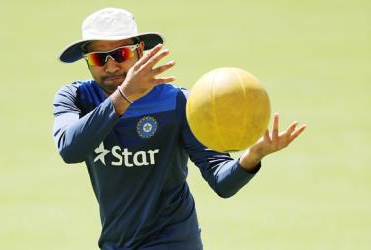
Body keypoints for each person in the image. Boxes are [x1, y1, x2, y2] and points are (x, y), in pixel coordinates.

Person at [52, 7, 306, 250]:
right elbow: (70, 150)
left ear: (140, 50)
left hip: (174, 243)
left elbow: (222, 182)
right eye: (98, 58)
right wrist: (125, 95)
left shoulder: (177, 103)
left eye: (120, 54)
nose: (110, 66)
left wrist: (253, 156)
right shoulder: (75, 97)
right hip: (115, 243)